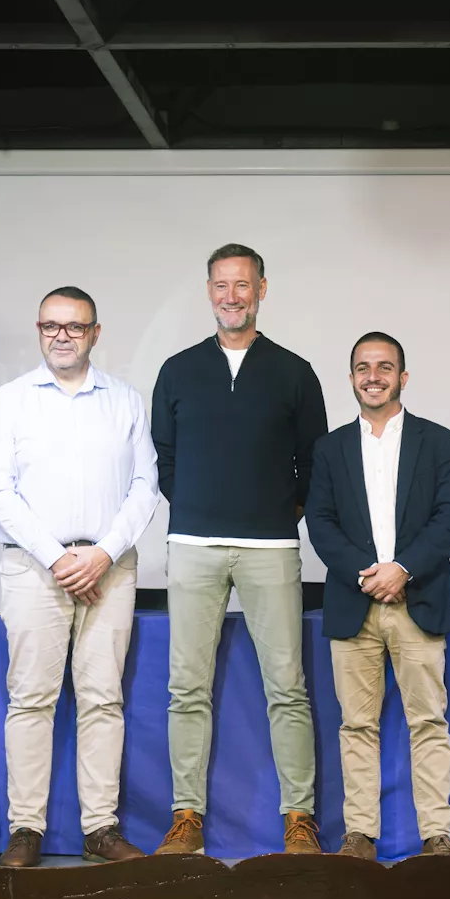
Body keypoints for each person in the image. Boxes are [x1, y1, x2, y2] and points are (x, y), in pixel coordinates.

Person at [150, 243, 327, 855]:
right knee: (186, 688)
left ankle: (298, 820)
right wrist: (198, 507)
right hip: (193, 544)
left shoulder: (294, 372)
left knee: (288, 687)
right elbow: (164, 460)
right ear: (209, 292)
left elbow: (315, 462)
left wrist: (280, 511)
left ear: (262, 290)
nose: (232, 295)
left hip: (271, 546)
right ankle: (186, 819)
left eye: (243, 285)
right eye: (222, 285)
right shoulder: (177, 370)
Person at [0, 286, 159, 868]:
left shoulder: (125, 400)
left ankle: (100, 829)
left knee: (103, 700)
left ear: (95, 333)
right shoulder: (10, 400)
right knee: (31, 701)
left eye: (74, 327)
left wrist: (103, 553)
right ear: (38, 331)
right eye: (51, 326)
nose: (62, 335)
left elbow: (145, 487)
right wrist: (56, 556)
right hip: (34, 567)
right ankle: (25, 830)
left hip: (109, 567)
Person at [305, 332, 450, 860]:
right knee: (356, 725)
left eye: (385, 367)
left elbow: (449, 522)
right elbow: (321, 524)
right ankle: (359, 836)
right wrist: (366, 574)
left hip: (417, 602)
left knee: (428, 723)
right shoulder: (329, 448)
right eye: (363, 367)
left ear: (403, 376)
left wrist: (403, 570)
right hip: (354, 604)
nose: (373, 376)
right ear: (351, 377)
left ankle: (436, 837)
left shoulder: (438, 442)